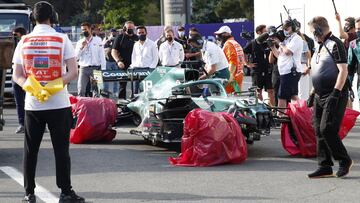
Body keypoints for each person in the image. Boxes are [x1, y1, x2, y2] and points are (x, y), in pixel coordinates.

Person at [11, 1, 85, 202]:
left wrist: (33, 87)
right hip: (59, 103)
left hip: (33, 104)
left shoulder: (24, 41)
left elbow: (17, 75)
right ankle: (65, 191)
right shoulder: (62, 39)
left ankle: (29, 193)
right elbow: (73, 72)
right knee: (61, 150)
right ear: (53, 17)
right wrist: (53, 85)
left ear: (32, 19)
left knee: (30, 150)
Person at [306, 16, 353, 178]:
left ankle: (344, 160)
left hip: (334, 94)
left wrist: (336, 94)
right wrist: (312, 92)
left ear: (319, 30)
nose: (312, 34)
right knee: (318, 129)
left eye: (313, 31)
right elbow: (320, 70)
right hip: (319, 94)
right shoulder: (320, 45)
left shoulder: (335, 44)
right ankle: (324, 165)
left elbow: (343, 71)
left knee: (327, 129)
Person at [269, 20, 303, 114]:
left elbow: (288, 52)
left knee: (281, 96)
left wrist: (279, 43)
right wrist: (272, 47)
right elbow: (279, 55)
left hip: (291, 71)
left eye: (287, 28)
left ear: (293, 28)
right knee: (293, 95)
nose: (285, 31)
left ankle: (281, 116)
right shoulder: (286, 40)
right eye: (284, 29)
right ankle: (299, 114)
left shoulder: (296, 38)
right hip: (284, 72)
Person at [244, 25, 275, 106]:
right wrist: (247, 63)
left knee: (271, 91)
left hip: (268, 70)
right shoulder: (253, 43)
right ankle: (260, 108)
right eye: (264, 32)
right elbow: (243, 52)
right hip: (257, 70)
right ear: (259, 33)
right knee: (258, 90)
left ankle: (273, 110)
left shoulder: (269, 42)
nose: (266, 33)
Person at [75, 22, 106, 97]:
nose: (84, 31)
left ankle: (96, 107)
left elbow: (102, 54)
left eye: (85, 29)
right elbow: (76, 57)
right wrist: (81, 48)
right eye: (82, 30)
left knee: (97, 90)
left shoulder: (98, 40)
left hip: (96, 68)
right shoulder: (80, 42)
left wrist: (103, 68)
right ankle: (81, 107)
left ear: (90, 29)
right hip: (84, 69)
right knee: (81, 89)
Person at [111, 21, 138, 99]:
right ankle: (121, 102)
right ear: (124, 28)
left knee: (136, 85)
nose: (131, 29)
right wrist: (118, 61)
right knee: (122, 86)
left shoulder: (137, 38)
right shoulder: (119, 38)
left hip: (135, 65)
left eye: (132, 28)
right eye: (129, 28)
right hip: (122, 65)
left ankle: (136, 101)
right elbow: (113, 51)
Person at [214, 25, 245, 93]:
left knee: (228, 99)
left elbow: (232, 61)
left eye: (220, 35)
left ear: (226, 34)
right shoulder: (235, 43)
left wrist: (230, 76)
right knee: (237, 97)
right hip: (239, 74)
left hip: (232, 77)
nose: (218, 37)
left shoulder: (228, 44)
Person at [130, 26, 158, 93]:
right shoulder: (136, 44)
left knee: (147, 92)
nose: (141, 34)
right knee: (135, 91)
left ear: (146, 33)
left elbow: (156, 57)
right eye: (139, 33)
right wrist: (133, 66)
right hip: (137, 70)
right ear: (137, 34)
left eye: (143, 32)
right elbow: (133, 56)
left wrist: (151, 69)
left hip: (148, 70)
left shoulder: (152, 44)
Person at [12, 26, 27, 133]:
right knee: (19, 102)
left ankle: (39, 124)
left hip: (27, 76)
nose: (13, 37)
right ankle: (22, 123)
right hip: (16, 76)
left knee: (31, 101)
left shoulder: (26, 43)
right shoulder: (12, 44)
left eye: (15, 35)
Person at [102, 28, 119, 98]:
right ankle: (106, 92)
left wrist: (115, 40)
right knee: (106, 78)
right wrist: (108, 40)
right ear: (110, 33)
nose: (113, 33)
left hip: (115, 61)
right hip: (107, 61)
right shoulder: (106, 38)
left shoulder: (117, 39)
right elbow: (102, 46)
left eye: (114, 32)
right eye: (112, 32)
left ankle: (115, 92)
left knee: (116, 78)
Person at [347, 18, 360, 104]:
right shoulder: (353, 44)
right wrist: (349, 87)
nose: (358, 31)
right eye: (357, 29)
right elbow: (350, 67)